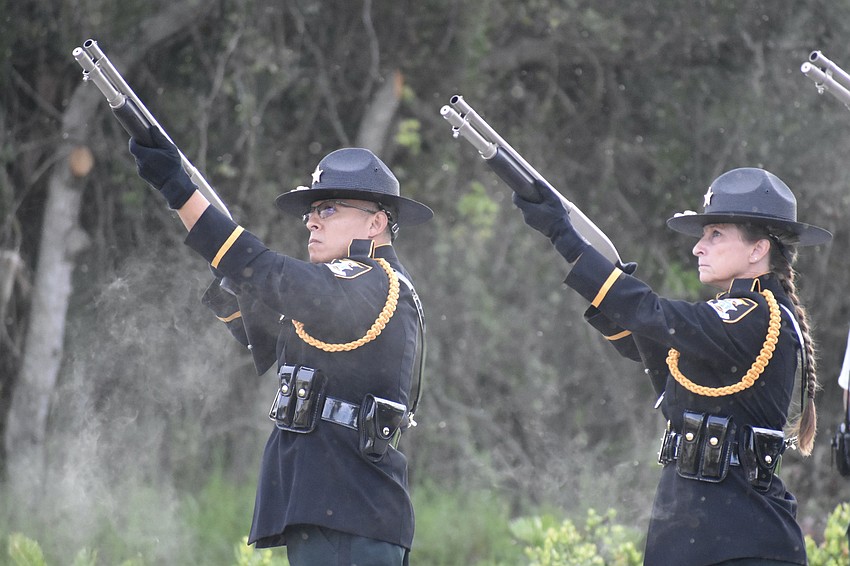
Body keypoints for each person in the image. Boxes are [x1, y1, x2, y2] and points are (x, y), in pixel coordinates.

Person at [129, 127, 432, 565]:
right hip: (330, 512)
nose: (312, 219)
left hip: (348, 516)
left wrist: (179, 188)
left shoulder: (373, 283)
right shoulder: (345, 292)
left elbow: (269, 273)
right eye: (312, 210)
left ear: (376, 221)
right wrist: (233, 266)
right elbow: (265, 336)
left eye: (328, 208)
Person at [512, 167, 831, 565]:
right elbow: (651, 346)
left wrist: (566, 237)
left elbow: (654, 316)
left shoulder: (756, 314)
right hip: (693, 535)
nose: (699, 247)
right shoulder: (732, 317)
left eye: (716, 235)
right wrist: (608, 289)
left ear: (757, 250)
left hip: (740, 543)